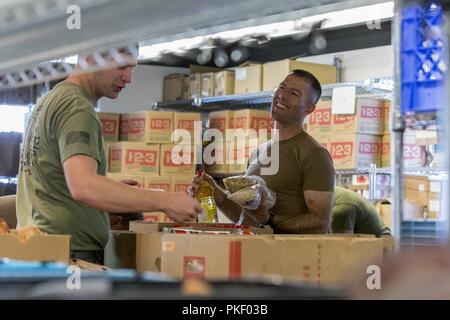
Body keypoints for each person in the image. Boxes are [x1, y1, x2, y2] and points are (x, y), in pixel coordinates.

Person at [16, 46, 201, 264]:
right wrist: (165, 200)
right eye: (121, 66)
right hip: (69, 254)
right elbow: (84, 187)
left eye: (132, 68)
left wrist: (112, 190)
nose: (128, 78)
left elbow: (52, 178)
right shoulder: (76, 108)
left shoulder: (52, 99)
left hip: (43, 248)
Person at [191, 70, 335, 233]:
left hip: (287, 255)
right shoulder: (258, 152)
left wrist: (270, 220)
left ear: (309, 108)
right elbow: (247, 216)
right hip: (253, 250)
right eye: (282, 87)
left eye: (294, 93)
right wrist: (217, 195)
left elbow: (320, 220)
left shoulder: (314, 154)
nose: (282, 95)